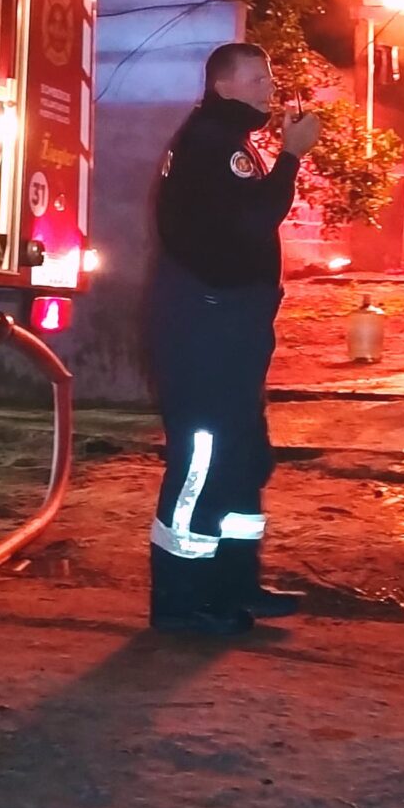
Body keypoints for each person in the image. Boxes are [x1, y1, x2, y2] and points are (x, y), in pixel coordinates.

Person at [146, 42, 321, 634]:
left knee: (244, 457)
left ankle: (234, 587)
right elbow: (252, 218)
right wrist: (291, 158)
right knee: (203, 461)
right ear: (223, 85)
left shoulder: (227, 140)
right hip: (205, 331)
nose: (266, 88)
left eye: (267, 77)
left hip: (230, 328)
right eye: (255, 78)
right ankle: (181, 602)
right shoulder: (212, 144)